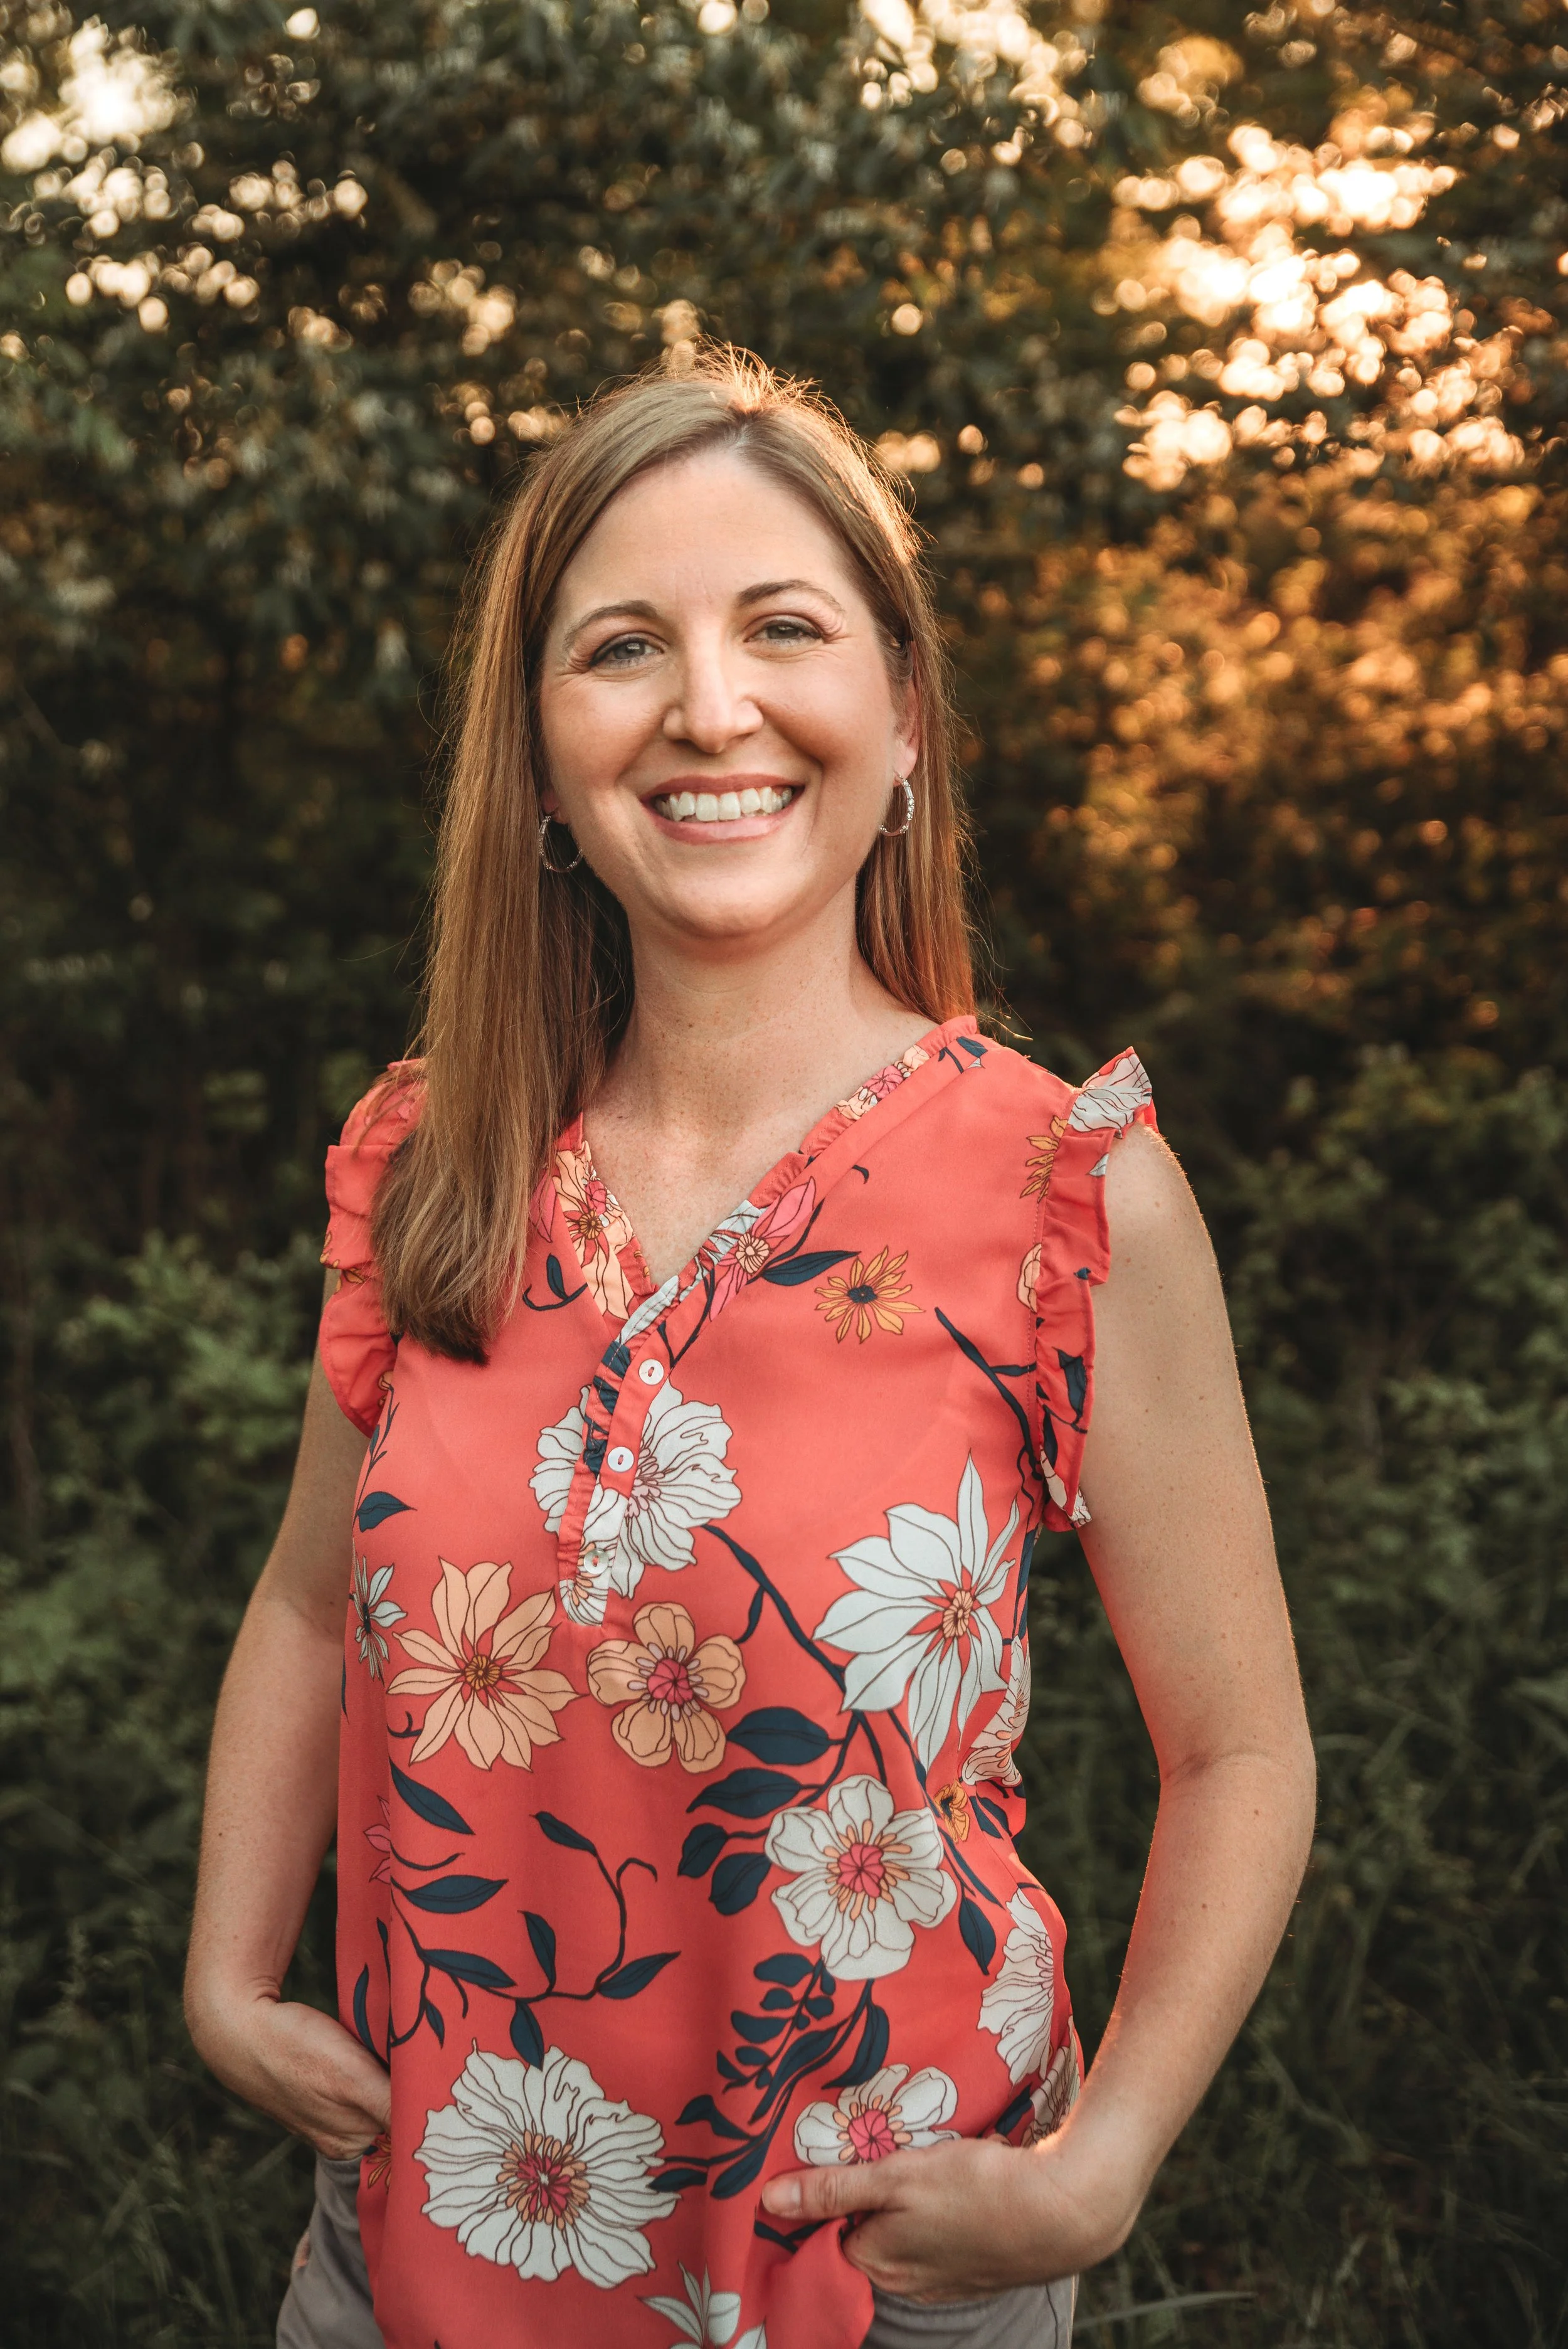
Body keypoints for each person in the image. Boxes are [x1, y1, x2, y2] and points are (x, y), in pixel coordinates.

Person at [183, 349, 1315, 2349]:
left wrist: (1101, 2162)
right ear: (536, 755)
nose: (712, 707)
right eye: (623, 646)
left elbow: (1238, 1751)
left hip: (878, 2291)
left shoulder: (1062, 1186)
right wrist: (223, 1976)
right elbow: (300, 1612)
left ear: (899, 720)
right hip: (413, 2271)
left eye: (781, 628)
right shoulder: (429, 1170)